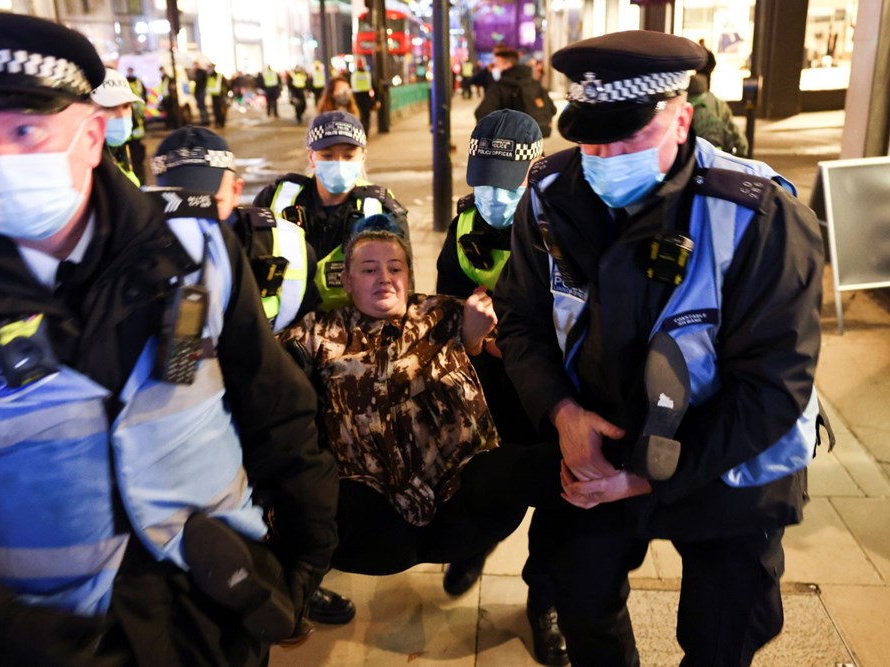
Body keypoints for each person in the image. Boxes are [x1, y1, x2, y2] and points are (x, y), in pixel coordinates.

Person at [0, 12, 338, 665]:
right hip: (50, 635)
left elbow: (273, 400)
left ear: (94, 134)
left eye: (25, 131)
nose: (0, 159)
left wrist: (304, 553)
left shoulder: (196, 241)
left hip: (214, 602)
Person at [494, 30, 823, 667]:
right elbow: (522, 319)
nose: (604, 155)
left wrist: (643, 476)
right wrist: (562, 416)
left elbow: (775, 385)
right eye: (589, 137)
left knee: (725, 631)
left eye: (627, 136)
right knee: (582, 595)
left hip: (726, 455)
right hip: (599, 439)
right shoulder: (548, 196)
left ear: (682, 118)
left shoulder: (760, 216)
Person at [278, 215, 564, 578]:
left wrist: (478, 338)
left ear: (408, 276)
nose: (384, 277)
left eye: (394, 267)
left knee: (535, 464)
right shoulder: (320, 331)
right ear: (347, 281)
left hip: (462, 500)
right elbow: (264, 367)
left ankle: (623, 475)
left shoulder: (446, 312)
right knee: (305, 503)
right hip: (371, 519)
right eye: (369, 270)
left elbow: (524, 351)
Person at [434, 109, 569, 661]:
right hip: (488, 393)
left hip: (554, 394)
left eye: (504, 184)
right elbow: (442, 312)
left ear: (534, 171)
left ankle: (545, 603)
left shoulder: (564, 223)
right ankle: (478, 541)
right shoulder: (465, 225)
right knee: (488, 482)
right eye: (482, 181)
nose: (492, 195)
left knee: (559, 502)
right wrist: (468, 335)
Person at [152, 126, 320, 330]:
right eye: (179, 204)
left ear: (236, 191)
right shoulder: (130, 257)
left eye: (210, 203)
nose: (196, 219)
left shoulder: (289, 250)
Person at [252, 110, 409, 313]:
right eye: (327, 155)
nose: (339, 163)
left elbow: (402, 285)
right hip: (284, 324)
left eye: (348, 155)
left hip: (352, 330)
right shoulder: (275, 198)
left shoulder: (383, 208)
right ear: (311, 157)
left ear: (363, 157)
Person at [475, 45, 557, 139]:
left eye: (497, 64)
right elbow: (553, 109)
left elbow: (482, 114)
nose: (495, 67)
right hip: (534, 145)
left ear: (507, 65)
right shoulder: (534, 83)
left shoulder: (499, 87)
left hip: (508, 146)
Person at [90, 67, 144, 186]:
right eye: (110, 108)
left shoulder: (120, 152)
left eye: (126, 106)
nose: (121, 115)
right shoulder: (84, 169)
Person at [687, 74, 748, 157]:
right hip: (721, 153)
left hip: (697, 155)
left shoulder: (685, 106)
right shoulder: (719, 104)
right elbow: (733, 129)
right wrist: (742, 151)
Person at [124, 67, 149, 183]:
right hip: (131, 133)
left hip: (134, 133)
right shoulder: (128, 86)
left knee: (136, 161)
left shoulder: (135, 83)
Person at [350, 60, 378, 136]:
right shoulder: (367, 74)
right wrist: (375, 100)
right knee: (366, 115)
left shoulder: (354, 74)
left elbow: (351, 86)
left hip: (357, 97)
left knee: (361, 115)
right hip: (366, 97)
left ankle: (362, 131)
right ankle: (366, 131)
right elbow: (373, 86)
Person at [206, 63, 227, 127]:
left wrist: (224, 95)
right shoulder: (209, 76)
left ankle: (221, 123)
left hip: (220, 96)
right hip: (214, 95)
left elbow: (224, 86)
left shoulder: (218, 76)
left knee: (220, 110)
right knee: (216, 110)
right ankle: (218, 122)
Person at [192, 61, 209, 125]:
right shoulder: (196, 72)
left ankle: (206, 120)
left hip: (201, 91)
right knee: (200, 107)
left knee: (202, 107)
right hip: (198, 92)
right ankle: (203, 120)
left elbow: (201, 81)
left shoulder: (202, 72)